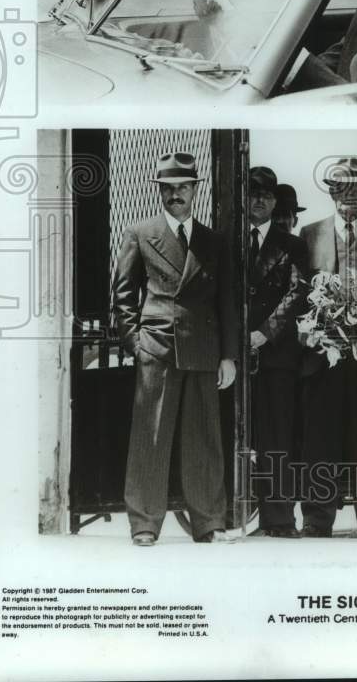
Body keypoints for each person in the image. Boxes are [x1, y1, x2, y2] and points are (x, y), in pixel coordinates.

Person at [112, 152, 236, 545]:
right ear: (160, 192)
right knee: (150, 435)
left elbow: (227, 302)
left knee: (204, 440)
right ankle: (144, 524)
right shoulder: (140, 232)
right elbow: (123, 293)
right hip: (158, 346)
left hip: (203, 347)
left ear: (195, 190)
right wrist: (136, 342)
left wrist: (229, 355)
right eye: (168, 189)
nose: (175, 195)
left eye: (182, 187)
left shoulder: (214, 240)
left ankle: (209, 523)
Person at [298, 156, 357, 538]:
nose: (348, 196)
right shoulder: (310, 234)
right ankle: (317, 517)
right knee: (320, 436)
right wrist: (312, 334)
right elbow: (300, 294)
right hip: (322, 358)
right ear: (330, 191)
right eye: (341, 188)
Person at [247, 167, 310, 538]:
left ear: (274, 202)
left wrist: (264, 332)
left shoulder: (292, 246)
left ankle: (279, 519)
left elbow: (297, 293)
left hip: (276, 356)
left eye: (266, 195)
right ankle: (231, 514)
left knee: (277, 438)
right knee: (238, 437)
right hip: (235, 354)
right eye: (252, 193)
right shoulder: (227, 240)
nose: (259, 200)